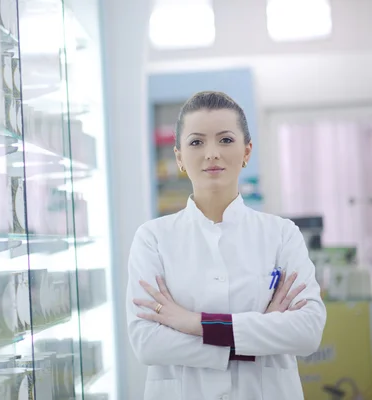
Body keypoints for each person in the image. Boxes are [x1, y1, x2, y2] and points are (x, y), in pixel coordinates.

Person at [127, 91, 326, 400]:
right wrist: (255, 339)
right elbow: (147, 341)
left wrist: (193, 323)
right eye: (196, 142)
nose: (211, 153)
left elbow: (308, 331)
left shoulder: (282, 234)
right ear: (179, 156)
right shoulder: (152, 238)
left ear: (247, 152)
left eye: (225, 140)